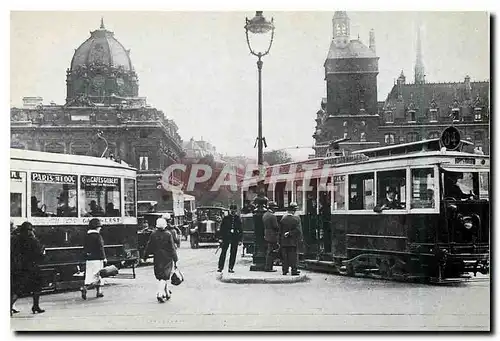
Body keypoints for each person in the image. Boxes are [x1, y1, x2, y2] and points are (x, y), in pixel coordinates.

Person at [11, 221, 46, 315]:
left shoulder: (15, 239)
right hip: (33, 266)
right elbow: (40, 254)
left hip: (19, 266)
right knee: (37, 287)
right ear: (30, 230)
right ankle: (35, 306)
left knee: (18, 289)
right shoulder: (33, 240)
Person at [143, 217, 178, 303]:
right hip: (167, 258)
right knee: (164, 276)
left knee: (161, 276)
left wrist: (145, 256)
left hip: (157, 257)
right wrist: (175, 258)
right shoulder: (168, 234)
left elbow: (149, 245)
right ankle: (160, 293)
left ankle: (167, 293)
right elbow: (172, 248)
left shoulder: (153, 234)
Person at [80, 218, 106, 300]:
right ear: (97, 227)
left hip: (89, 259)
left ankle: (98, 291)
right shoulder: (98, 236)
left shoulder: (87, 236)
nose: (100, 228)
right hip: (97, 259)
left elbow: (84, 248)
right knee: (98, 276)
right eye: (99, 226)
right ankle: (86, 288)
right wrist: (104, 258)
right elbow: (101, 248)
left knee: (89, 276)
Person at [279, 202, 303, 276]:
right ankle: (294, 270)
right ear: (293, 211)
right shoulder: (296, 219)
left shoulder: (283, 219)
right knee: (293, 257)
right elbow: (298, 231)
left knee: (284, 257)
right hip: (292, 242)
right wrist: (290, 233)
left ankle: (284, 270)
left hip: (284, 242)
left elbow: (280, 231)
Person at [217, 204, 243, 273]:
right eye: (232, 210)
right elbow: (222, 229)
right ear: (230, 210)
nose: (233, 211)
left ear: (236, 210)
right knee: (223, 252)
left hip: (235, 237)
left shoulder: (238, 218)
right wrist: (221, 238)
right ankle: (220, 267)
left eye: (234, 210)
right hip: (226, 237)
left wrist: (240, 240)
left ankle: (230, 268)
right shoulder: (226, 218)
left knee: (233, 253)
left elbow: (240, 229)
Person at [263, 201, 279, 272]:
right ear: (272, 208)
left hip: (266, 234)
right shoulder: (272, 216)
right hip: (272, 235)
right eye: (275, 208)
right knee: (271, 252)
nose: (275, 210)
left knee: (269, 251)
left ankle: (268, 266)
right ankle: (269, 267)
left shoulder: (265, 215)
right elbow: (275, 226)